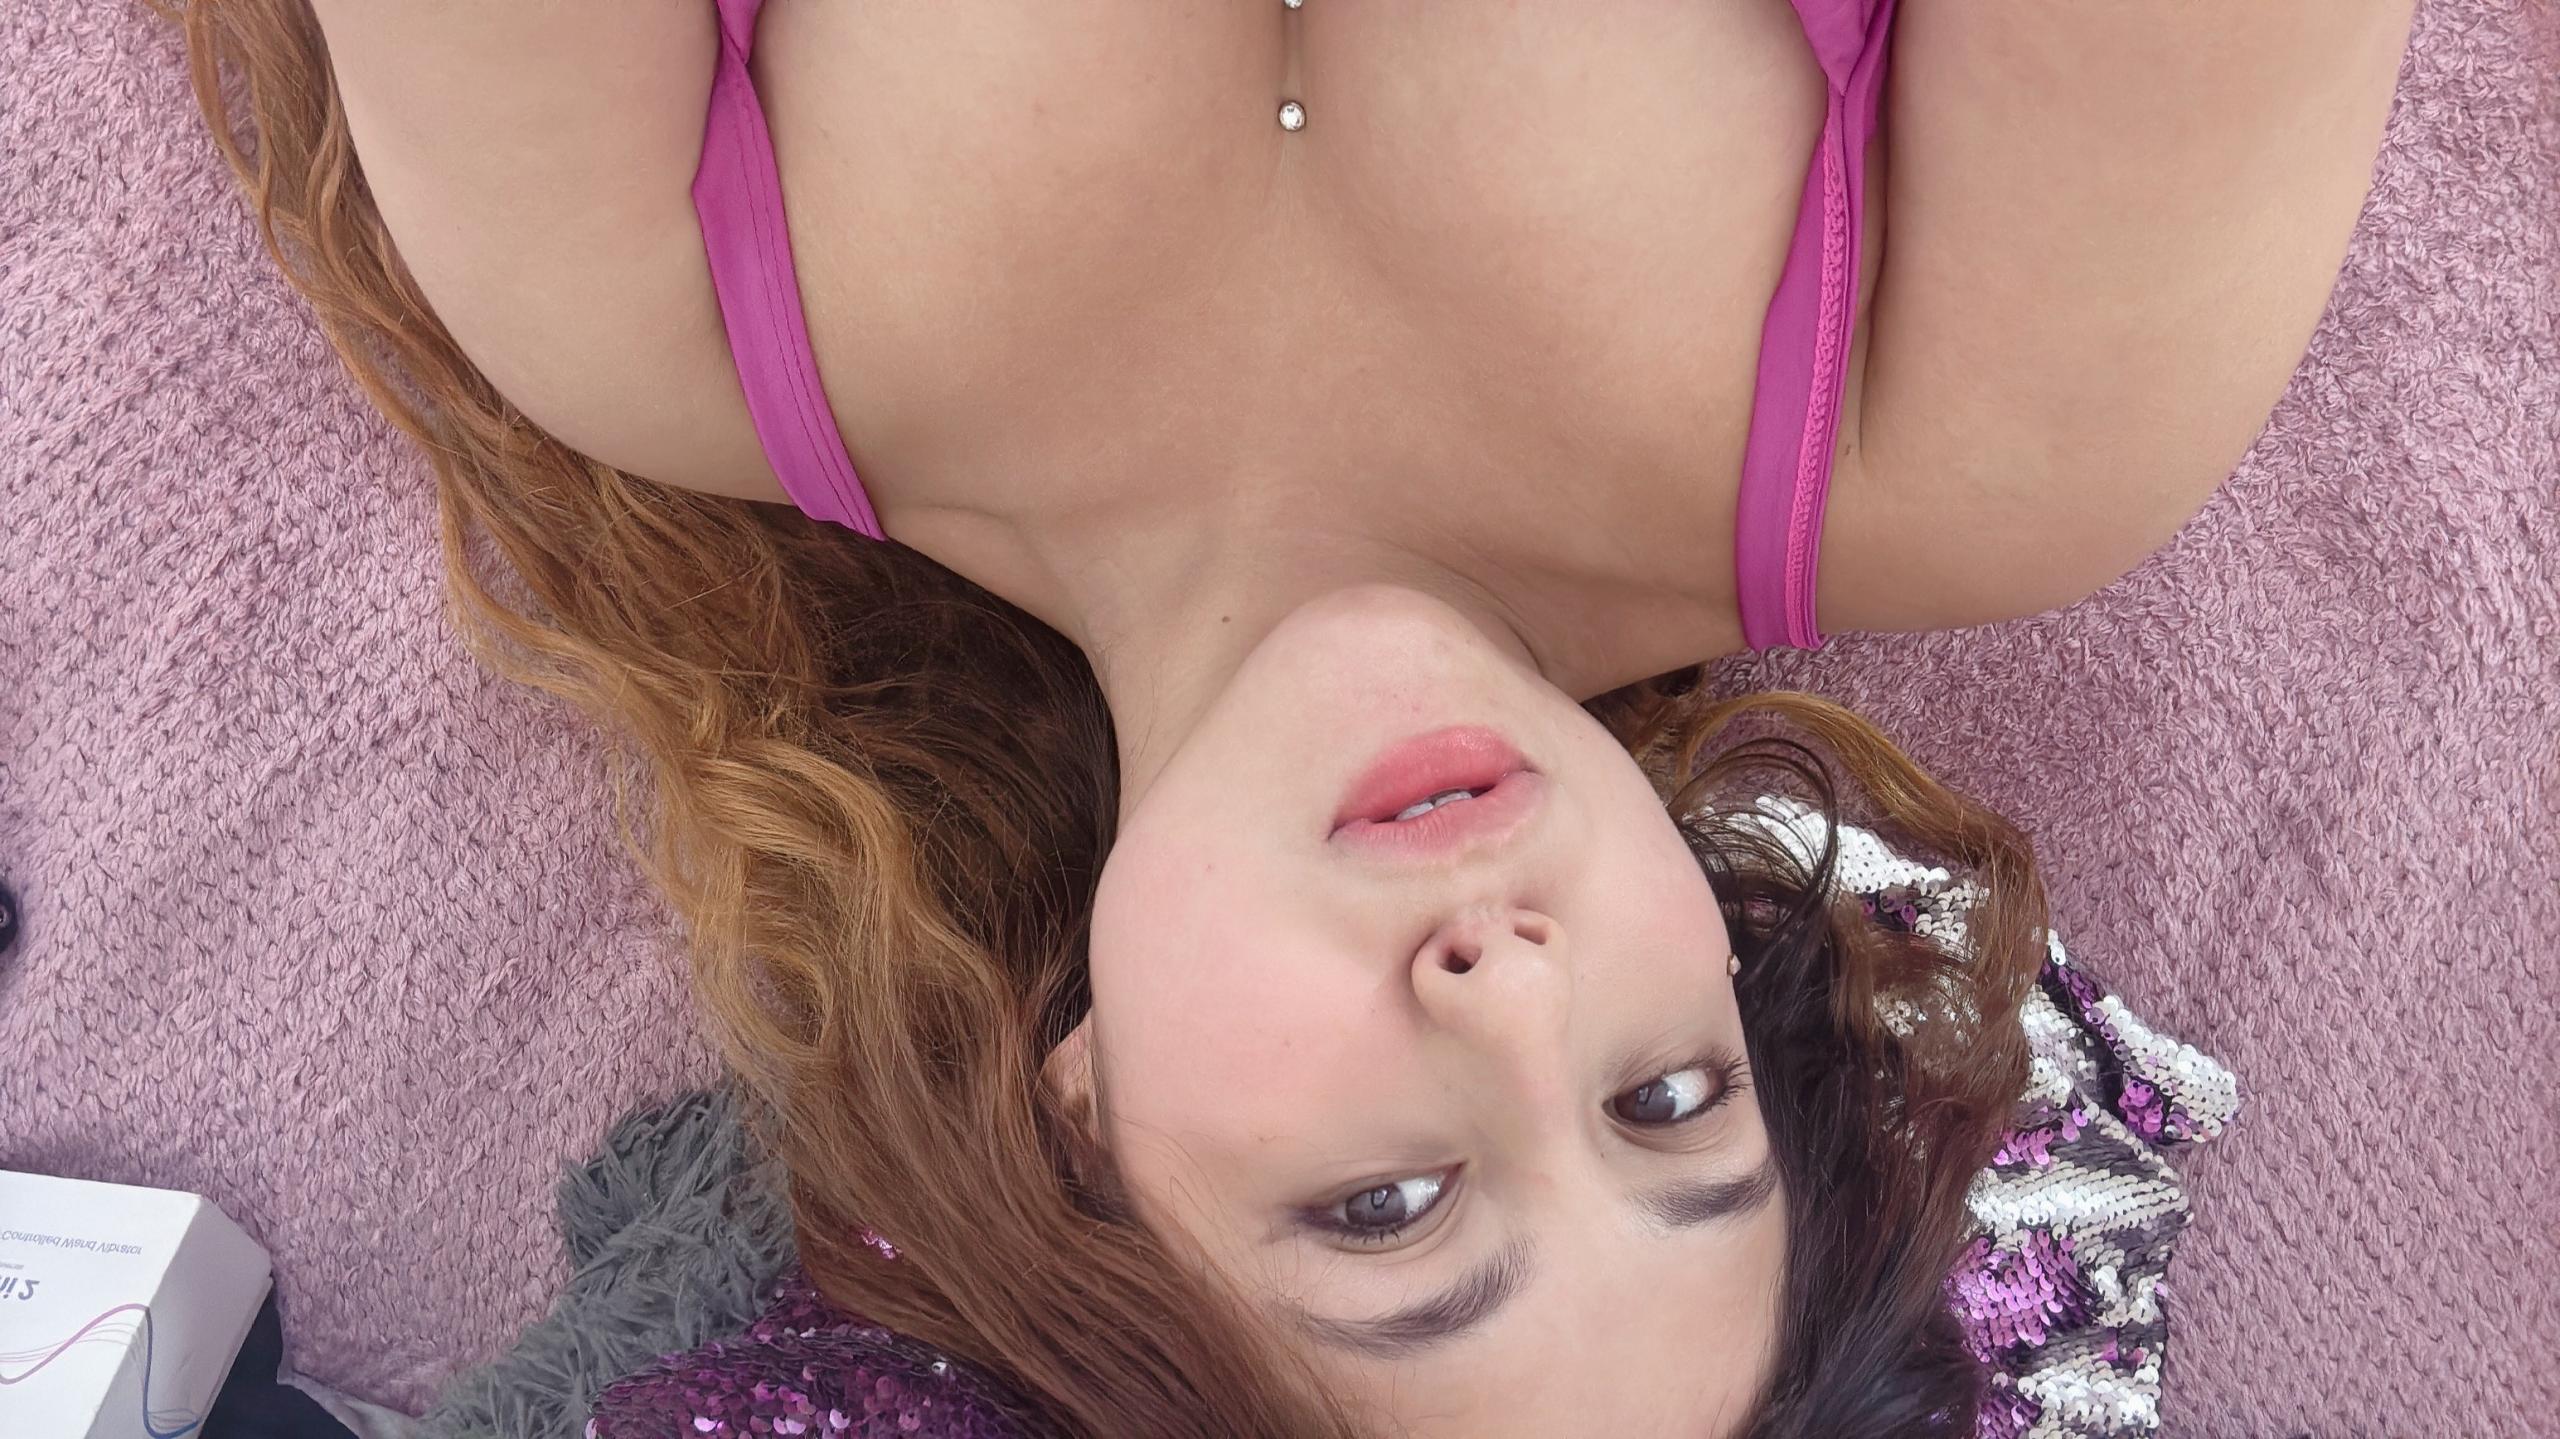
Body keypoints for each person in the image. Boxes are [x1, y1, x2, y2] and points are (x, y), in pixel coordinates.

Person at [175, 0, 2410, 1433]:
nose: (1507, 991)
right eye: (1663, 1096)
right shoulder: (1996, 433)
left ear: (1077, 1142)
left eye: (1389, 1204)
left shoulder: (631, 307)